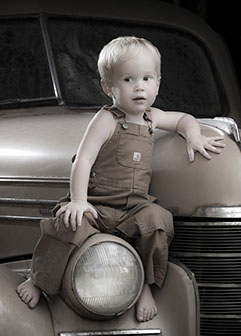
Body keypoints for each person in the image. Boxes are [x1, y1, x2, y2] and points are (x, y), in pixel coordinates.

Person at [16, 36, 225, 322]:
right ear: (108, 87)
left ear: (158, 83)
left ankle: (144, 287)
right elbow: (83, 160)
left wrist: (194, 135)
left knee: (158, 221)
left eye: (147, 78)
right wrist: (78, 201)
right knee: (67, 226)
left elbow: (183, 119)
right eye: (128, 79)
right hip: (97, 205)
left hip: (133, 207)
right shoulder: (107, 119)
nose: (139, 86)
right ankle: (38, 281)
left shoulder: (152, 117)